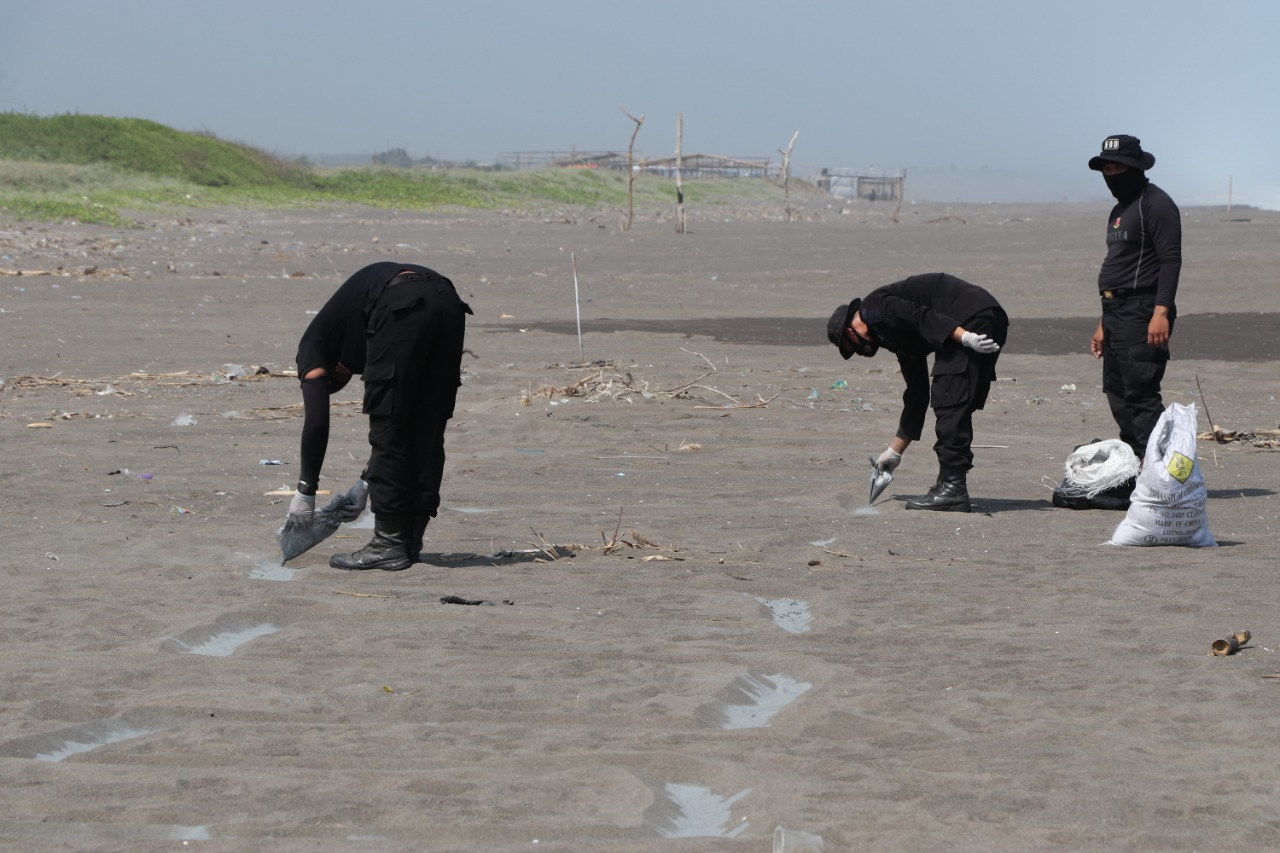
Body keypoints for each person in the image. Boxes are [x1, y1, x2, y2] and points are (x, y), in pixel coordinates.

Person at [284, 261, 472, 570]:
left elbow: (318, 421)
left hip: (401, 300)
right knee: (427, 425)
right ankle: (408, 541)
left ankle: (388, 544)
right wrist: (365, 483)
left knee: (390, 424)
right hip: (447, 300)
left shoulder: (313, 345)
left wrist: (306, 492)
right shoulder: (354, 329)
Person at [826, 273, 1008, 512]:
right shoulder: (893, 336)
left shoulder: (875, 307)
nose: (860, 352)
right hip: (984, 317)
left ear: (850, 332)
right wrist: (893, 453)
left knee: (949, 401)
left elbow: (922, 316)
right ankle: (950, 485)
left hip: (971, 318)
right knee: (954, 401)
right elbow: (917, 393)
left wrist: (964, 336)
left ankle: (953, 488)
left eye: (852, 348)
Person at [1087, 134, 1181, 460]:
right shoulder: (1119, 209)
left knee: (1140, 392)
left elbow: (1170, 260)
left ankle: (1160, 471)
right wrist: (1103, 323)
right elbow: (1119, 266)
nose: (1113, 174)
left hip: (1143, 309)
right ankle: (1138, 463)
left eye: (1119, 167)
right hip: (1114, 310)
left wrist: (1161, 312)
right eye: (1107, 168)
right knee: (1116, 392)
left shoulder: (1155, 203)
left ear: (1136, 167)